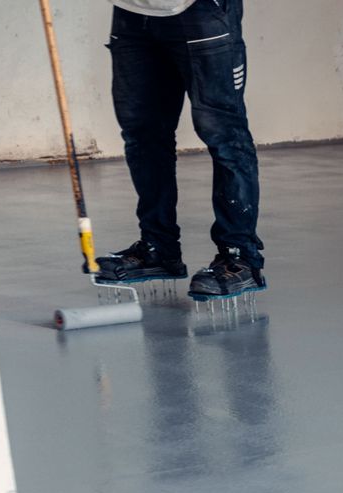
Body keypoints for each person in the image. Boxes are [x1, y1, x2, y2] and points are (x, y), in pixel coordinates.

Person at [91, 0, 266, 301]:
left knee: (224, 135)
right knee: (143, 135)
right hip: (131, 12)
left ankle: (239, 257)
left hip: (200, 11)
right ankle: (158, 249)